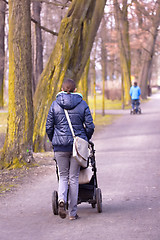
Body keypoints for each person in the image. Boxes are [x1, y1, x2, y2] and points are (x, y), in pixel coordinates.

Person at [46, 79, 95, 220]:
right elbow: (90, 126)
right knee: (73, 178)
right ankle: (72, 213)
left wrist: (54, 140)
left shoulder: (55, 105)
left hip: (60, 146)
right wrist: (85, 139)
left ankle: (62, 200)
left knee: (63, 176)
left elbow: (49, 126)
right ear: (75, 90)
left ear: (62, 89)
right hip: (76, 146)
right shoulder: (82, 104)